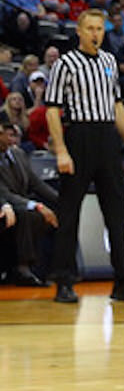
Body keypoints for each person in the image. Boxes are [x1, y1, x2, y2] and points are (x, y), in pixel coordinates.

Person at [44, 8, 124, 304]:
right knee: (69, 212)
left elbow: (117, 105)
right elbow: (52, 108)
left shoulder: (109, 62)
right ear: (79, 31)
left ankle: (123, 282)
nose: (95, 34)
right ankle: (64, 281)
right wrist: (61, 149)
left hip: (107, 139)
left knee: (118, 214)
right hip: (79, 136)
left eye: (99, 29)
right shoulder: (66, 63)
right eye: (89, 28)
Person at [0, 118, 58, 285]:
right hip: (7, 204)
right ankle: (22, 268)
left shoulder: (19, 154)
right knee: (28, 215)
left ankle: (53, 269)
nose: (11, 139)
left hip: (19, 202)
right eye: (7, 135)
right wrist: (37, 205)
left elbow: (35, 182)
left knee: (56, 213)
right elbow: (4, 193)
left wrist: (60, 199)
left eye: (14, 135)